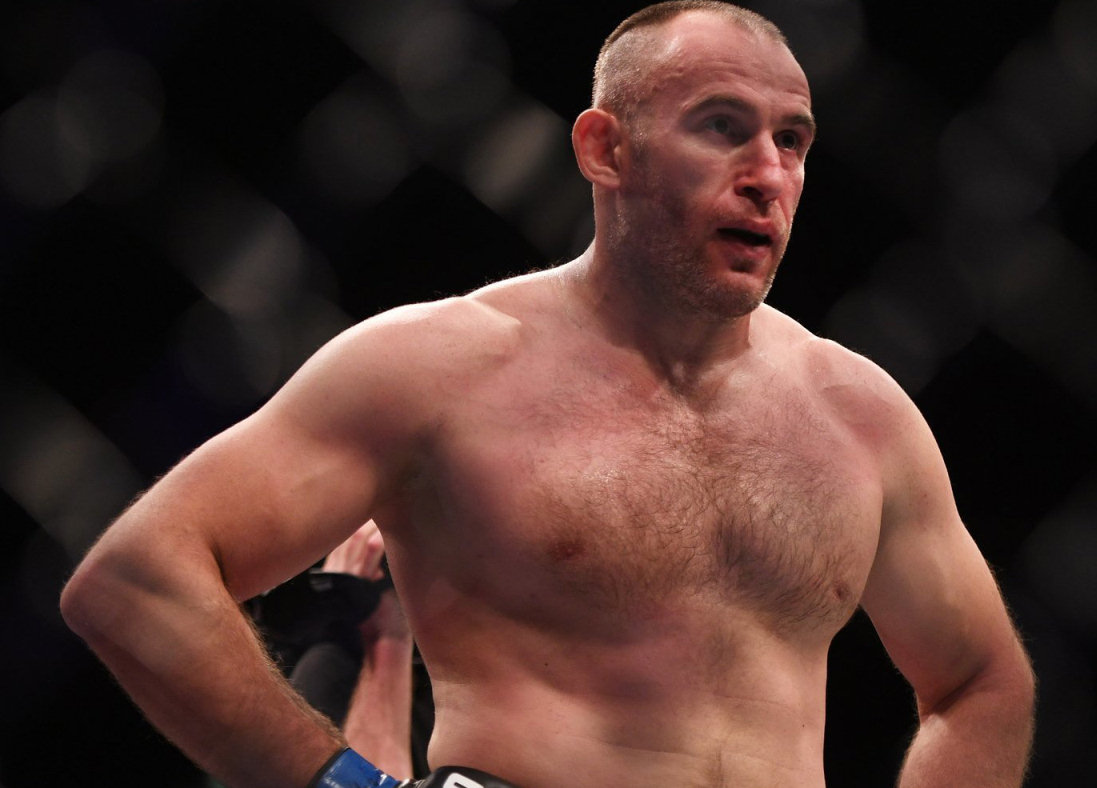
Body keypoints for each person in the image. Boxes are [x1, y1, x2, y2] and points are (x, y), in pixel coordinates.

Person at [60, 2, 1036, 786]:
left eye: (792, 141)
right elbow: (140, 577)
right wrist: (337, 780)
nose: (767, 176)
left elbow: (982, 680)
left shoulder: (858, 416)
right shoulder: (439, 369)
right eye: (722, 128)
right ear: (605, 148)